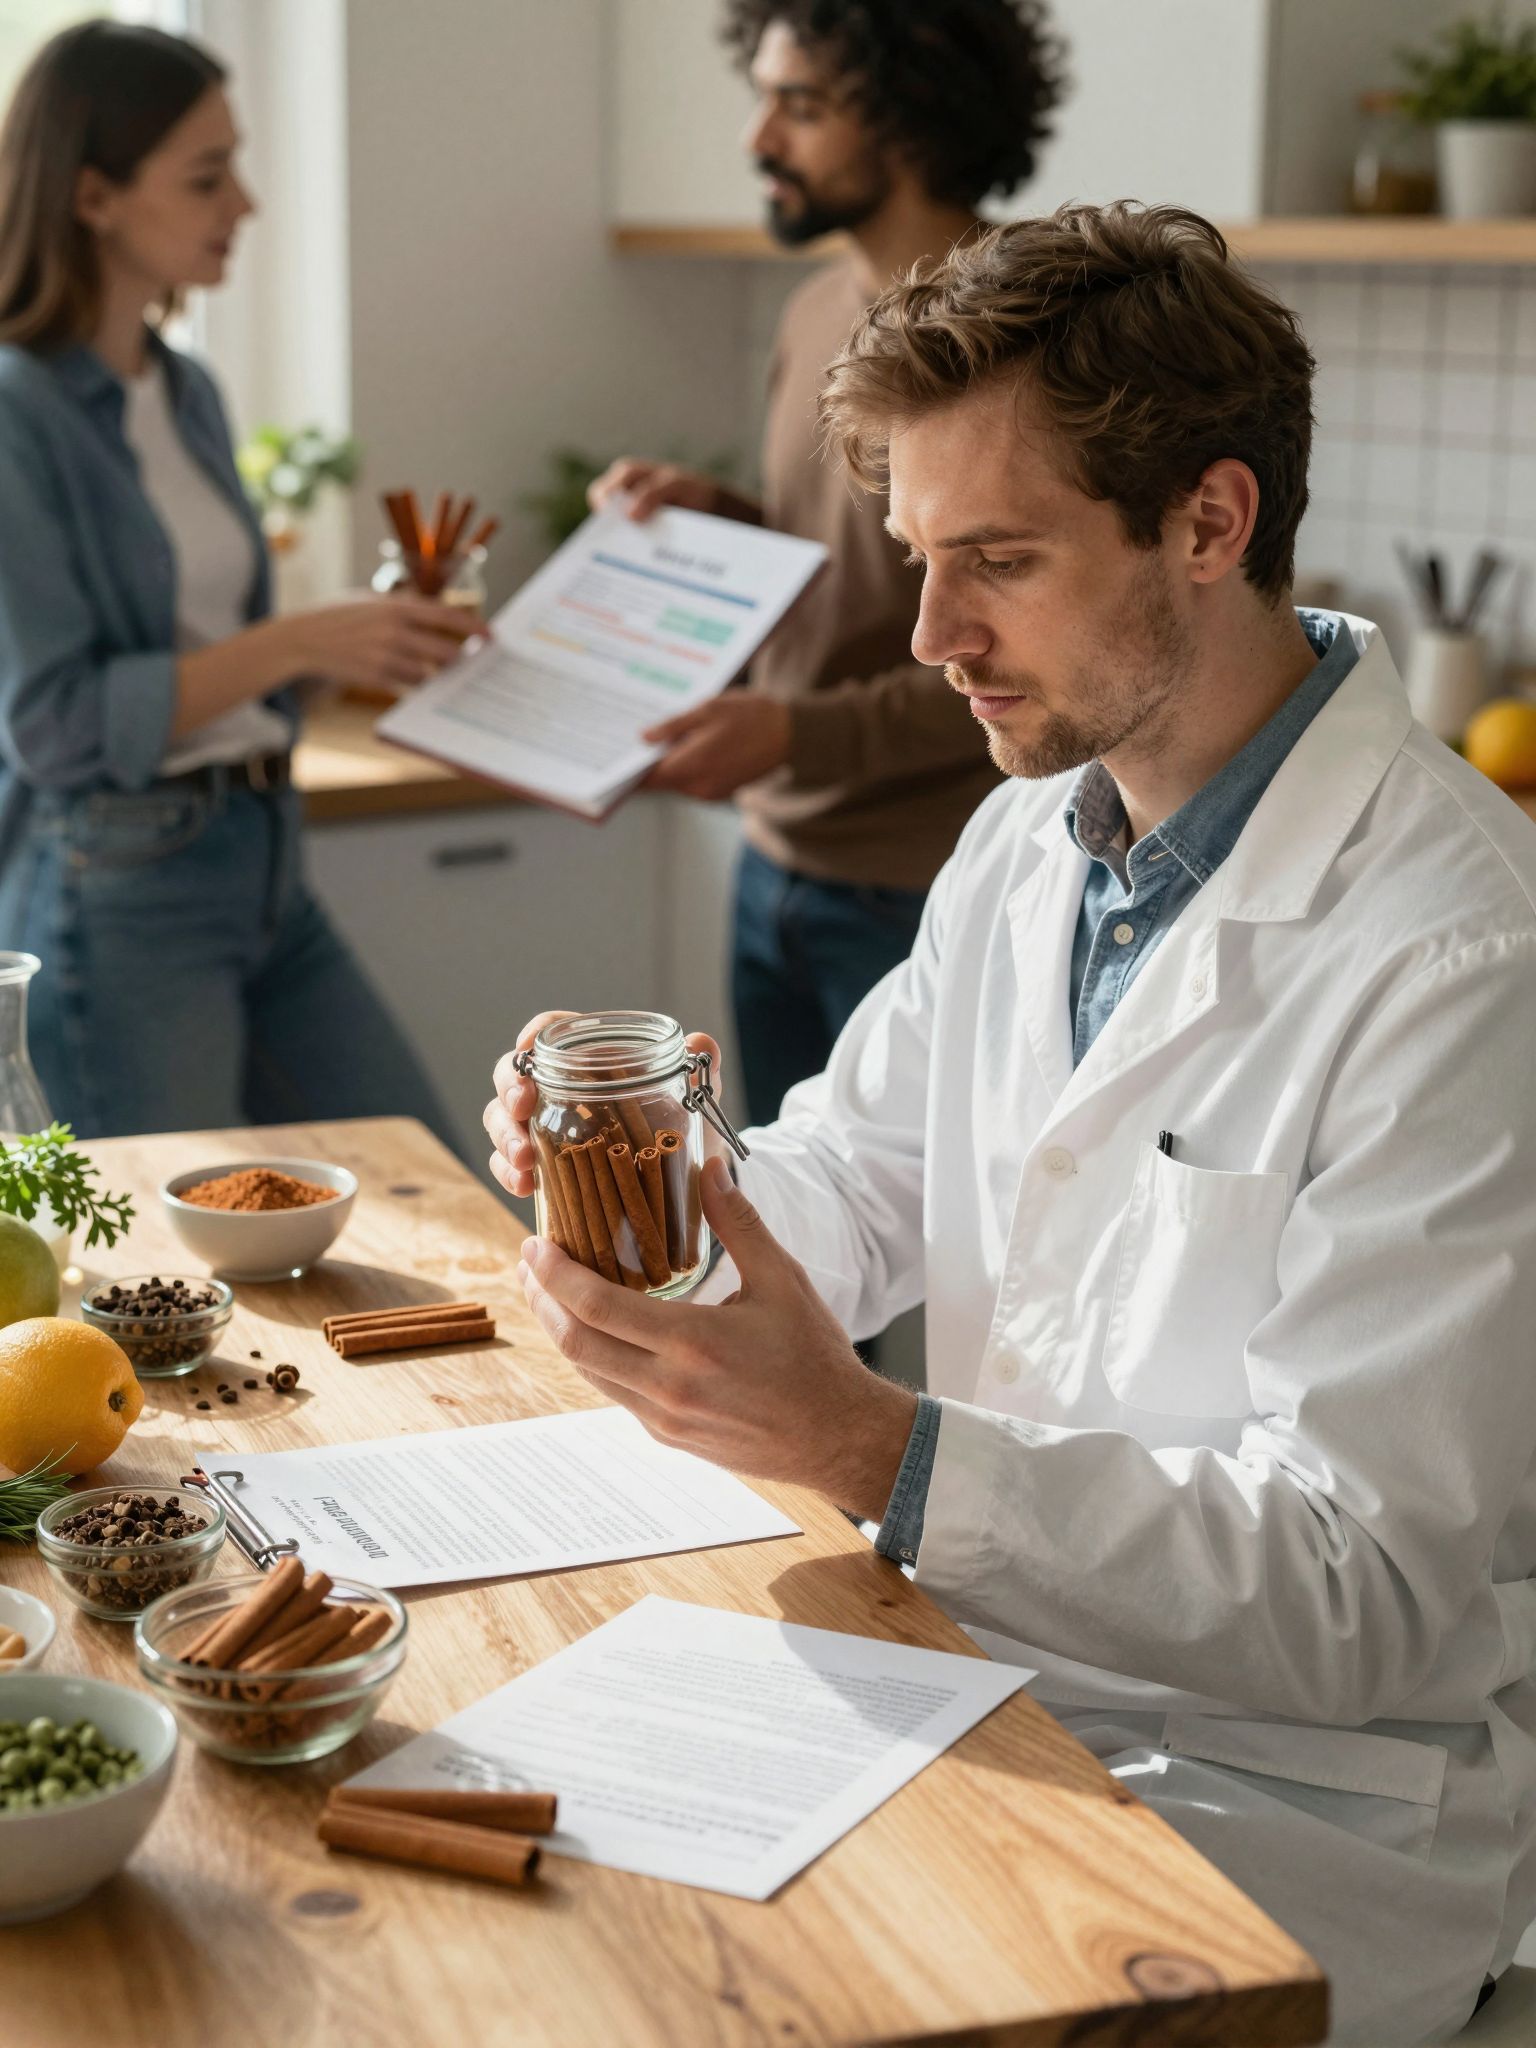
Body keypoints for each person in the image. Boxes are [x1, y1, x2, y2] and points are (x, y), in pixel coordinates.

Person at [487, 204, 1536, 2044]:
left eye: (999, 559)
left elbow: (1356, 1587)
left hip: (1285, 1803)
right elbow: (858, 1180)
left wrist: (880, 1445)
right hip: (985, 1680)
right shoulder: (1033, 831)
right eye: (914, 553)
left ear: (1210, 524)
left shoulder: (1464, 947)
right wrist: (642, 1175)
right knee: (539, 1888)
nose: (930, 632)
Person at [590, 0, 1065, 1126]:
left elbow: (1039, 645)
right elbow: (862, 563)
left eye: (799, 106)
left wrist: (796, 732)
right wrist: (725, 519)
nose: (760, 141)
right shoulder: (816, 309)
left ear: (910, 115)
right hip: (776, 858)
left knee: (966, 1264)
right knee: (790, 1247)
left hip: (924, 879)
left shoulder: (1024, 331)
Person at [0, 21, 470, 1142]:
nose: (244, 204)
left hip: (262, 857)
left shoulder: (188, 389)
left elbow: (228, 665)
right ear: (94, 196)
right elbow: (56, 724)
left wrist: (362, 650)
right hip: (120, 885)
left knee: (434, 1191)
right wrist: (301, 643)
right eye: (207, 177)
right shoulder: (14, 411)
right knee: (155, 1286)